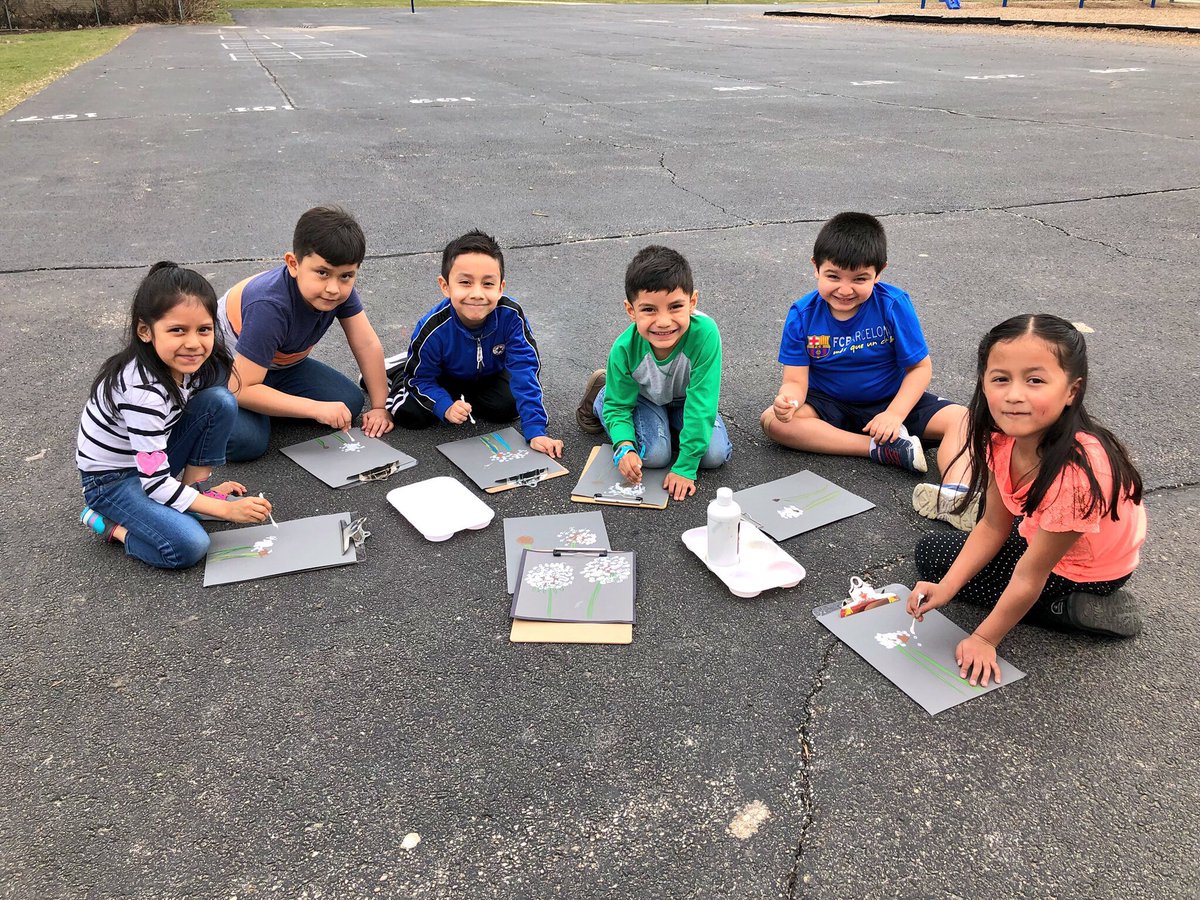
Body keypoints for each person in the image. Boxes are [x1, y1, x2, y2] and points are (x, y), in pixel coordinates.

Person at [908, 314, 1147, 686]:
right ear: (983, 382)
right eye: (1001, 379)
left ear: (1072, 391)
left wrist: (985, 638)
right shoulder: (999, 435)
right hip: (1047, 534)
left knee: (981, 579)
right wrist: (947, 588)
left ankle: (1069, 608)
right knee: (932, 556)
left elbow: (1030, 573)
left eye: (1035, 380)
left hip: (1089, 570)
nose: (1014, 395)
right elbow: (992, 525)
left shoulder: (1077, 476)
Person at [761, 212, 976, 529]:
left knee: (964, 419)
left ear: (879, 273)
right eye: (833, 276)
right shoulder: (802, 314)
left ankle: (956, 495)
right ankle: (881, 449)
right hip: (829, 403)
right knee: (773, 422)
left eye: (859, 279)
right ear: (815, 267)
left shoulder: (893, 304)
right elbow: (795, 381)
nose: (845, 289)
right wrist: (788, 401)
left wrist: (895, 414)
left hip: (891, 400)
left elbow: (919, 368)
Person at [77, 262, 273, 570]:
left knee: (219, 401)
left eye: (203, 329)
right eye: (177, 330)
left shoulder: (188, 365)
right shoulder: (143, 393)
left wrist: (199, 499)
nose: (193, 343)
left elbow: (159, 462)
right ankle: (111, 525)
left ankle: (193, 494)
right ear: (145, 331)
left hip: (148, 460)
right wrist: (226, 511)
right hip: (112, 481)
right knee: (189, 545)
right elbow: (154, 483)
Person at [219, 205, 393, 462]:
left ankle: (266, 404)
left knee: (349, 402)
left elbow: (366, 343)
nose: (333, 288)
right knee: (246, 442)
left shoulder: (338, 291)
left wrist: (380, 407)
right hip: (228, 368)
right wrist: (314, 408)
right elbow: (241, 388)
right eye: (322, 273)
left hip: (277, 366)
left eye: (346, 276)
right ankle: (202, 403)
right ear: (293, 264)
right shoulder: (270, 307)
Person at [385, 229, 563, 457]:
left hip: (487, 373)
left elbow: (525, 369)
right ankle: (398, 368)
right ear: (445, 286)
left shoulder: (511, 316)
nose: (477, 293)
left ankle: (461, 398)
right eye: (465, 282)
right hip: (441, 375)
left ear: (501, 288)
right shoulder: (432, 329)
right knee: (410, 415)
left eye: (487, 284)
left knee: (507, 408)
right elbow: (420, 380)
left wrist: (536, 432)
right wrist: (444, 406)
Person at [575, 244, 731, 501]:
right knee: (655, 456)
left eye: (675, 306)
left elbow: (702, 402)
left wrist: (685, 466)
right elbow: (619, 408)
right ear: (631, 311)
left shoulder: (705, 334)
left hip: (685, 400)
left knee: (713, 456)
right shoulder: (624, 349)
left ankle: (669, 427)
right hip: (644, 398)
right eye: (649, 309)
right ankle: (602, 395)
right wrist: (624, 446)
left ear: (692, 302)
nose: (664, 322)